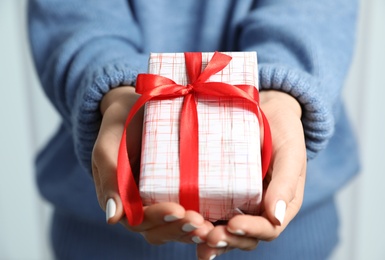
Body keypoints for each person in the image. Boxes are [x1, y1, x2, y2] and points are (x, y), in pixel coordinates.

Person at [28, 1, 360, 259]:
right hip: (97, 243)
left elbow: (315, 13)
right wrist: (115, 95)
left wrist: (284, 92)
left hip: (294, 245)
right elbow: (74, 16)